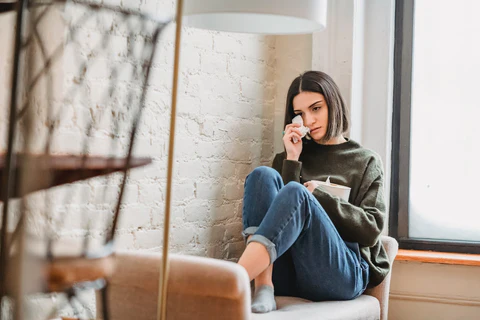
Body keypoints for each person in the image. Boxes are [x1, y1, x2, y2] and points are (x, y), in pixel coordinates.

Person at [238, 71, 390, 313]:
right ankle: (263, 285)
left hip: (340, 273)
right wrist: (292, 159)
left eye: (316, 108)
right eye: (300, 114)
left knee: (298, 193)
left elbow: (371, 230)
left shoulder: (366, 161)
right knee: (262, 175)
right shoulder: (289, 156)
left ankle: (231, 282)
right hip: (289, 273)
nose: (308, 120)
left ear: (333, 104)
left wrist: (319, 196)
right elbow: (280, 223)